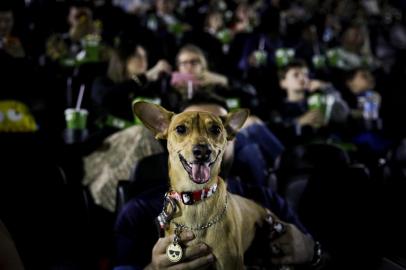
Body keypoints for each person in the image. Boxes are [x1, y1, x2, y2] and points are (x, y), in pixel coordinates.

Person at [114, 95, 323, 270]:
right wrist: (153, 268)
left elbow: (332, 261)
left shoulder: (265, 199)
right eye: (183, 129)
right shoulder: (138, 210)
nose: (200, 143)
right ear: (164, 131)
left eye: (214, 130)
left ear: (230, 135)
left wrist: (313, 252)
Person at [90, 36, 171, 136]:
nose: (144, 60)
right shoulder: (103, 82)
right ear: (123, 58)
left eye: (145, 56)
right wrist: (145, 77)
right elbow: (106, 98)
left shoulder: (147, 88)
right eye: (138, 55)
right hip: (109, 141)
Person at [272, 59, 349, 144]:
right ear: (283, 83)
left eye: (305, 74)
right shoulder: (278, 108)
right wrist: (299, 122)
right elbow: (277, 134)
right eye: (296, 75)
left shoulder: (318, 100)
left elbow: (343, 114)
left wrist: (325, 86)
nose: (302, 78)